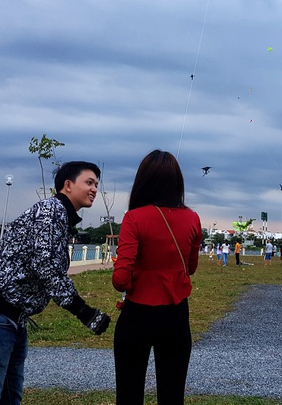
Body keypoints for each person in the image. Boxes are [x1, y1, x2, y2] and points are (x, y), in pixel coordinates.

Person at [0, 161, 110, 405]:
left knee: (10, 399)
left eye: (96, 184)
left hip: (11, 320)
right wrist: (84, 311)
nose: (94, 189)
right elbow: (46, 266)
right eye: (89, 182)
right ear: (68, 185)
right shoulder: (51, 211)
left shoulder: (60, 217)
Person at [112, 150, 203, 404]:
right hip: (175, 315)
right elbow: (191, 268)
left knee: (129, 394)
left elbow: (120, 279)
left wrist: (132, 281)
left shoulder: (134, 218)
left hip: (137, 314)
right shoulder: (193, 219)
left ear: (143, 181)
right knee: (172, 395)